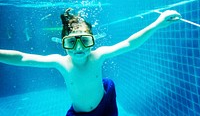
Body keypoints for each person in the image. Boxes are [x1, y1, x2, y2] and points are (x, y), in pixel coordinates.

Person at [0, 8, 181, 116]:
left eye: (85, 40)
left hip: (106, 106)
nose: (79, 48)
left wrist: (156, 24)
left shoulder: (98, 56)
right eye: (72, 42)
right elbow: (22, 57)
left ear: (92, 40)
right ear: (63, 44)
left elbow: (129, 43)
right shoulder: (60, 62)